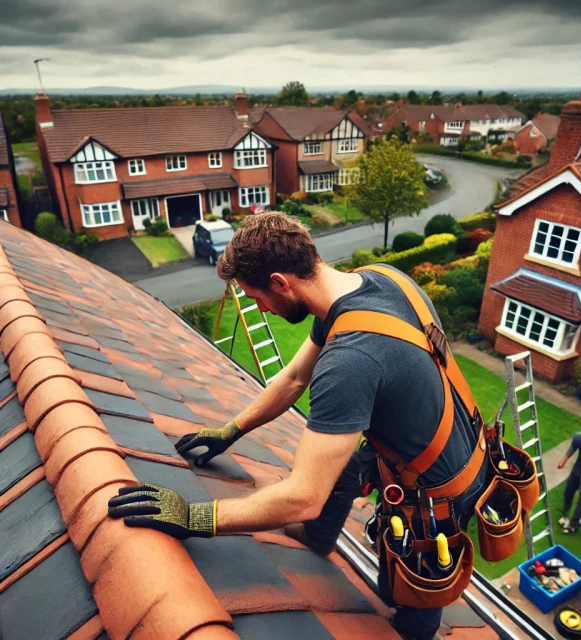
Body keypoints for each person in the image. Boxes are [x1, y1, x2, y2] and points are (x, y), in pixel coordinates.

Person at [108, 213, 487, 640]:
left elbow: (303, 497)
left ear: (280, 281)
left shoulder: (351, 361)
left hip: (441, 490)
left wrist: (194, 517)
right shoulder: (375, 280)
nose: (259, 308)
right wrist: (231, 429)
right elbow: (292, 378)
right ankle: (320, 538)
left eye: (256, 297)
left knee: (412, 592)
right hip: (450, 438)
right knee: (345, 468)